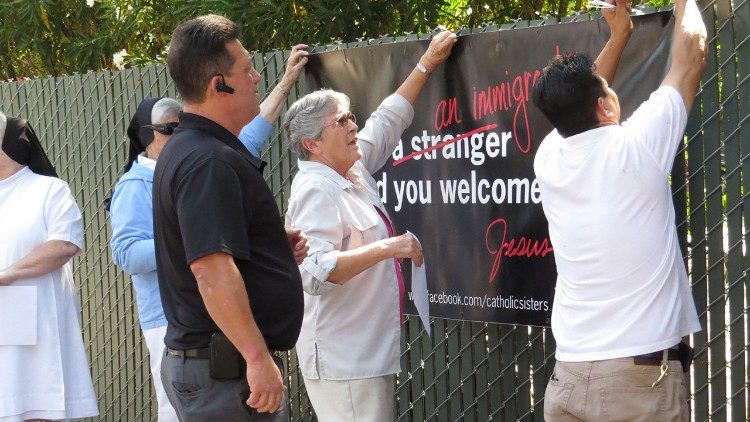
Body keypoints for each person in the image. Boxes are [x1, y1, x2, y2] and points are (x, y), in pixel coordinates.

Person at [109, 44, 307, 421]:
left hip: (215, 362)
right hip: (222, 368)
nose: (255, 78)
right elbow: (210, 268)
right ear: (220, 85)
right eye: (248, 70)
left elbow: (212, 250)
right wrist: (256, 357)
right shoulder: (205, 161)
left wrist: (261, 250)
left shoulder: (200, 151)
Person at [532, 0, 706, 419]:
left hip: (569, 376)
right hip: (637, 384)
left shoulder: (549, 157)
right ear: (605, 107)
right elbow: (690, 60)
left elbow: (580, 103)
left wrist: (620, 34)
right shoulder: (636, 148)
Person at [283, 30, 456, 421]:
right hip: (345, 360)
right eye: (340, 121)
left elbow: (387, 120)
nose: (352, 127)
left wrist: (427, 63)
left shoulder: (350, 168)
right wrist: (387, 248)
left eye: (350, 117)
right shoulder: (315, 188)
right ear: (312, 143)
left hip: (365, 353)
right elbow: (315, 273)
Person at [0, 112, 99, 421]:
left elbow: (64, 244)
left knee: (34, 405)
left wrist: (7, 275)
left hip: (34, 323)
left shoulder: (48, 190)